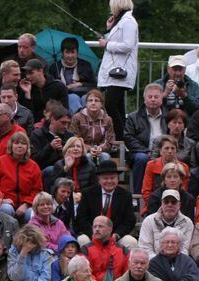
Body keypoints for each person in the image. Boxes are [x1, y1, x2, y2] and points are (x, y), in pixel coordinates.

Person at [97, 0, 139, 138]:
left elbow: (127, 45)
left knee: (111, 105)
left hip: (121, 72)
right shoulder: (121, 21)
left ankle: (121, 137)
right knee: (118, 107)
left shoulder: (129, 22)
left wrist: (107, 44)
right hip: (115, 72)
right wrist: (109, 29)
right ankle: (123, 139)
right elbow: (117, 41)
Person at [0, 131, 42, 222]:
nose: (20, 146)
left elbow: (37, 190)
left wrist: (26, 204)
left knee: (32, 213)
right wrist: (1, 199)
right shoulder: (0, 162)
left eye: (23, 143)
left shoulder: (33, 166)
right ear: (11, 146)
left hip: (26, 205)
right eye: (16, 143)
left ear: (27, 147)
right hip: (5, 203)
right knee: (6, 209)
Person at [77, 160, 136, 242]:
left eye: (112, 178)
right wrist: (92, 234)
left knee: (131, 242)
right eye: (105, 178)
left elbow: (130, 220)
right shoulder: (88, 193)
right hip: (92, 234)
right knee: (82, 239)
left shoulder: (125, 195)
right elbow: (81, 218)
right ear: (99, 179)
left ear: (117, 178)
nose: (109, 181)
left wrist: (117, 235)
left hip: (115, 236)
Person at [124, 83, 166, 192]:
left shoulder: (168, 116)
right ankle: (138, 196)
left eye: (156, 97)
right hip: (142, 152)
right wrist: (147, 151)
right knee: (142, 159)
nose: (153, 100)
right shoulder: (133, 117)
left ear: (161, 99)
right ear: (144, 99)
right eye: (150, 97)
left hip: (164, 151)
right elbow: (128, 138)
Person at [137, 189, 194, 255]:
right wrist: (159, 263)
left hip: (178, 263)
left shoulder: (188, 223)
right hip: (154, 263)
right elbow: (145, 248)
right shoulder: (148, 221)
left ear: (179, 205)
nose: (169, 205)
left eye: (173, 202)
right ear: (161, 204)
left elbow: (185, 249)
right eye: (166, 202)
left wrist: (176, 264)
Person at [49, 37, 97, 115]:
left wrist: (79, 84)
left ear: (77, 53)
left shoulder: (85, 65)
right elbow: (51, 86)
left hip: (84, 93)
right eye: (67, 52)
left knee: (87, 99)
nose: (70, 56)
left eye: (73, 52)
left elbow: (94, 84)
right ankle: (79, 120)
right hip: (64, 96)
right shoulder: (55, 67)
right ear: (62, 53)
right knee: (73, 98)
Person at [69, 89, 116, 162]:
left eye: (96, 100)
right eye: (90, 100)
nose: (93, 103)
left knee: (105, 157)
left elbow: (110, 140)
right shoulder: (77, 118)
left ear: (101, 104)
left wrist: (100, 149)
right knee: (87, 157)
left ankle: (103, 174)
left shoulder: (108, 119)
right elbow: (75, 139)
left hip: (102, 151)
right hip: (82, 151)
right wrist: (89, 149)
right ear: (86, 104)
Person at [141, 136, 190, 204]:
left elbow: (184, 191)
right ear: (160, 151)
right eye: (166, 148)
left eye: (173, 148)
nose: (170, 151)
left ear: (176, 151)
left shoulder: (184, 167)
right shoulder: (151, 165)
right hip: (155, 205)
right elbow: (146, 191)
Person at [82, 215, 129, 281]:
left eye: (100, 226)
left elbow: (127, 274)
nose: (97, 229)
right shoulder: (85, 250)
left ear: (110, 229)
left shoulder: (123, 251)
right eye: (95, 226)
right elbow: (84, 274)